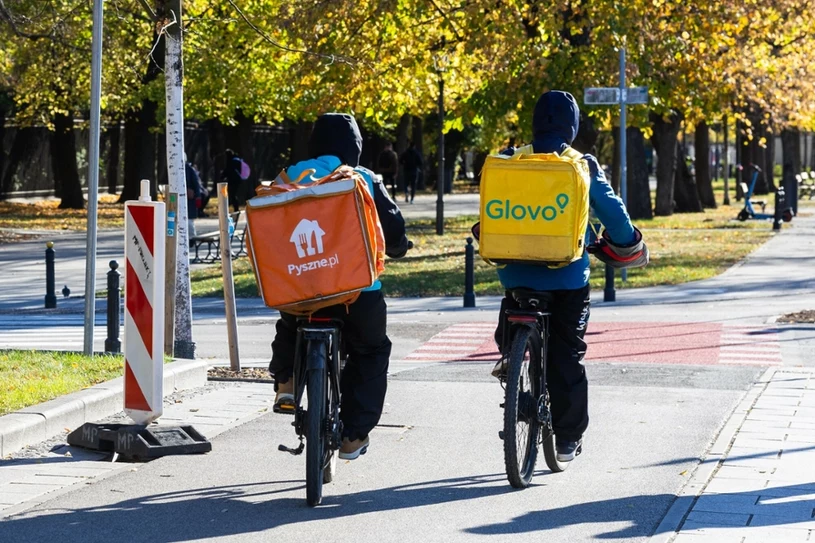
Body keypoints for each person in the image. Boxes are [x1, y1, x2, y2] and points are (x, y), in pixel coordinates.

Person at [489, 90, 648, 464]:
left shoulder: (510, 159)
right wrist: (629, 241)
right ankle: (566, 439)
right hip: (565, 278)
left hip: (514, 272)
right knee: (568, 355)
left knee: (514, 305)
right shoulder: (581, 164)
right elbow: (613, 215)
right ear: (572, 127)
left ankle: (512, 351)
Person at [270, 113, 410, 460]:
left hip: (303, 287)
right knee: (371, 351)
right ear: (356, 147)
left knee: (291, 318)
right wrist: (398, 246)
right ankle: (352, 436)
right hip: (356, 292)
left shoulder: (290, 175)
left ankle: (286, 382)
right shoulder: (361, 177)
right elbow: (391, 229)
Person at [184, 154, 202, 239]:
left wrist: (197, 196)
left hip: (189, 199)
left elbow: (196, 183)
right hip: (185, 198)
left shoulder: (189, 169)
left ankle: (191, 237)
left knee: (189, 220)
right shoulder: (187, 169)